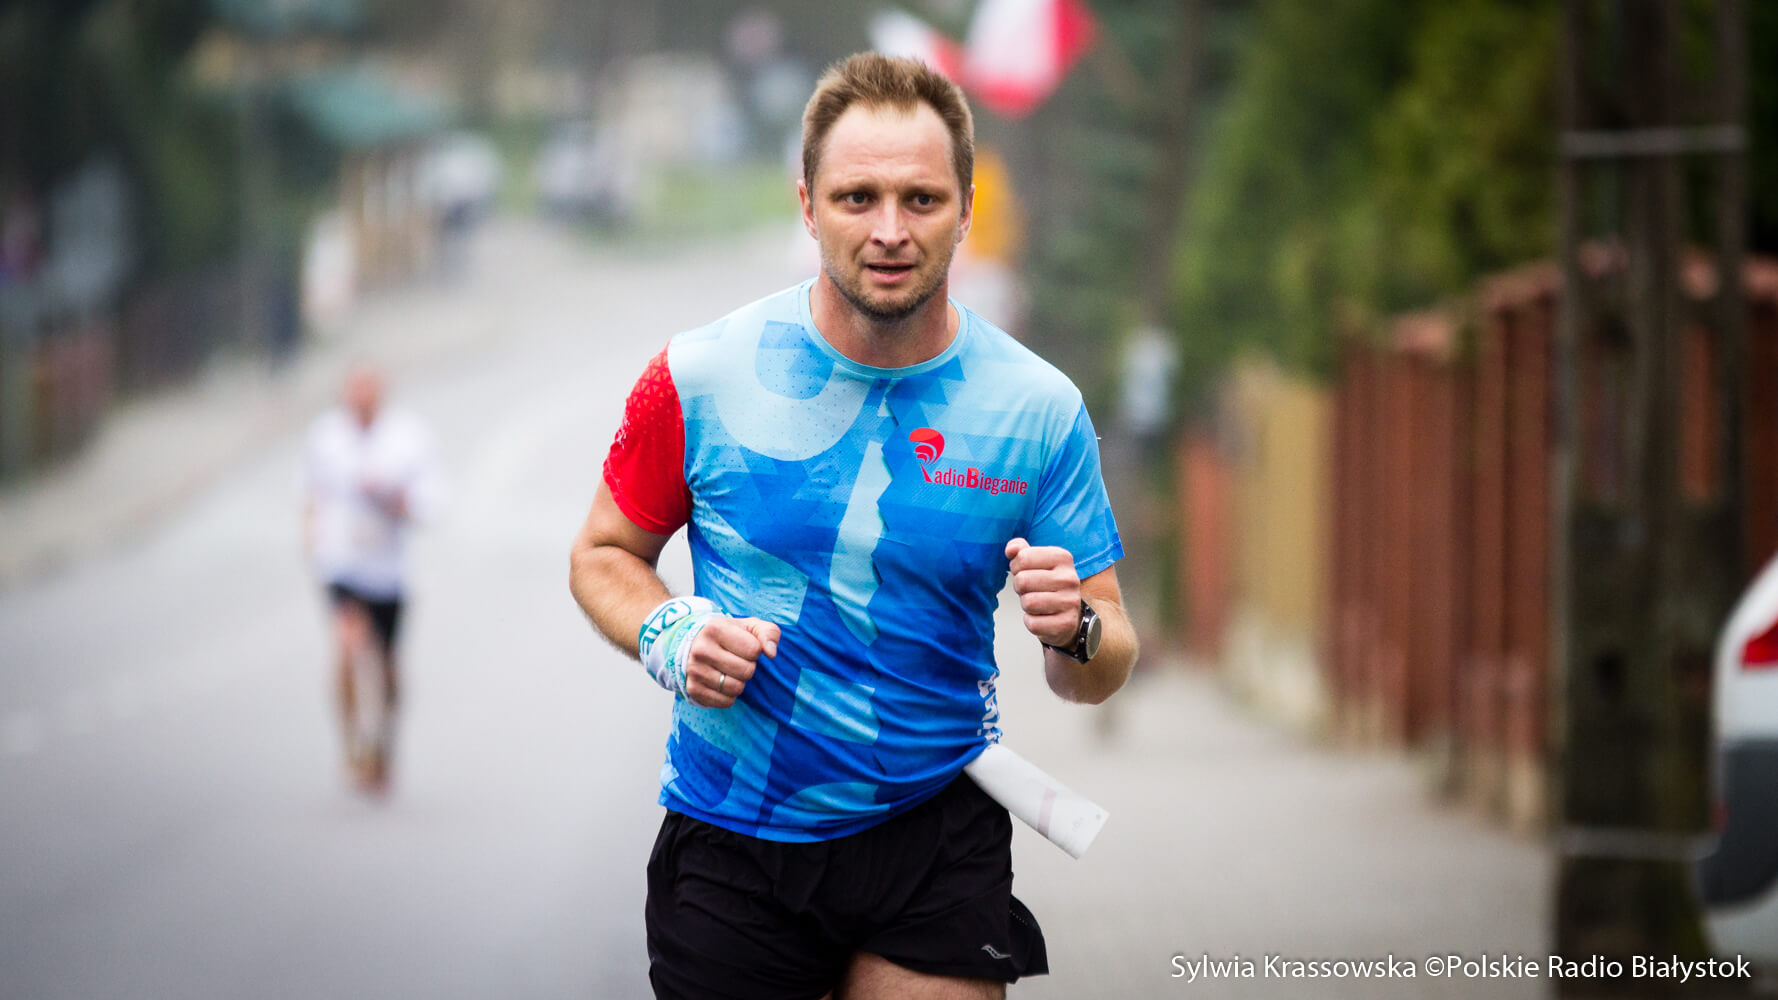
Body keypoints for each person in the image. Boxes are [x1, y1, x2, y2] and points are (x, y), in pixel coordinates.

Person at [569, 53, 1137, 1000]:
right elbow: (603, 552)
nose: (888, 231)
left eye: (920, 200)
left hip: (934, 830)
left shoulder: (1037, 408)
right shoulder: (699, 374)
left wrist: (1073, 626)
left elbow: (1104, 660)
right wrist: (672, 632)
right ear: (807, 205)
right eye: (856, 197)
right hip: (734, 834)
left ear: (965, 208)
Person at [302, 363, 442, 795]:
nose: (360, 401)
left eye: (368, 393)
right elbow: (308, 492)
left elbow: (433, 502)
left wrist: (400, 502)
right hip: (342, 563)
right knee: (347, 644)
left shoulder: (408, 438)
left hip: (388, 571)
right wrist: (311, 538)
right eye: (353, 392)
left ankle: (383, 740)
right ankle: (352, 744)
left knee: (385, 665)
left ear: (380, 395)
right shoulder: (326, 437)